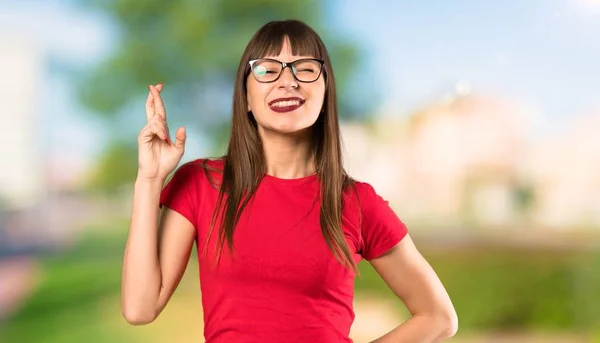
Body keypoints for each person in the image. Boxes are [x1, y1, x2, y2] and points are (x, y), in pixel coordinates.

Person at [121, 19, 458, 343]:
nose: (288, 81)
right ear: (247, 98)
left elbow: (439, 317)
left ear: (326, 93)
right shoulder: (201, 183)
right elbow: (140, 308)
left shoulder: (358, 202)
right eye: (267, 70)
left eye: (306, 69)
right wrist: (148, 180)